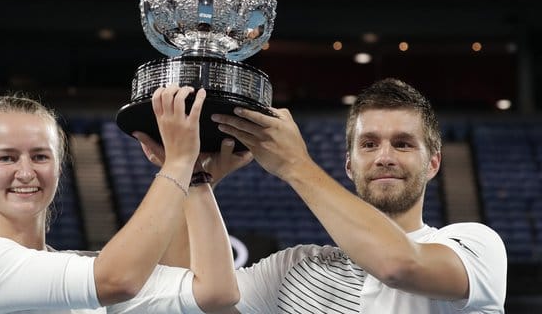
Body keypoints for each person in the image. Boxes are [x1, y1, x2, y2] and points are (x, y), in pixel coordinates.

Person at [210, 78, 507, 313]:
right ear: (349, 166)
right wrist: (198, 179)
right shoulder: (296, 269)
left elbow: (398, 265)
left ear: (433, 163)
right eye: (369, 144)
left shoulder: (476, 246)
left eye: (403, 144)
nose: (384, 157)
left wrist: (295, 165)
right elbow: (203, 299)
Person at [0, 85, 239, 313]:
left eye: (40, 156)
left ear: (58, 165)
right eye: (6, 158)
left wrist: (197, 178)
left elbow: (213, 292)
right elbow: (118, 279)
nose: (26, 172)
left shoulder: (82, 269)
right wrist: (178, 163)